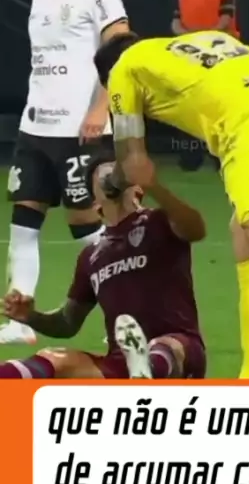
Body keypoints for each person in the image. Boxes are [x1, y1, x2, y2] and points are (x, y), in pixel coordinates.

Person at [93, 30, 249, 380]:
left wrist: (110, 183)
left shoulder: (124, 68)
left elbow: (132, 163)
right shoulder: (205, 44)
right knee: (244, 235)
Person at [0, 0, 130, 345]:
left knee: (85, 226)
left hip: (81, 129)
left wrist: (100, 108)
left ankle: (123, 312)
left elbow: (120, 51)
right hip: (36, 127)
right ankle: (20, 320)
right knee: (23, 221)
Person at [0, 153, 207, 379]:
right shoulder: (92, 256)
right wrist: (31, 316)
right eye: (102, 173)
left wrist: (154, 186)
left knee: (164, 346)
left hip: (181, 349)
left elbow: (196, 229)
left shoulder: (160, 221)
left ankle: (145, 370)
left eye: (117, 170)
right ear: (96, 204)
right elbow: (67, 322)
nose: (112, 174)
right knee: (54, 358)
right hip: (121, 363)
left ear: (137, 189)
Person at [171, 0, 240, 171]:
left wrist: (192, 40)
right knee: (223, 108)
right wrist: (209, 39)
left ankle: (189, 157)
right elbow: (225, 21)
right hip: (222, 56)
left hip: (190, 58)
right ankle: (221, 156)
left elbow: (175, 24)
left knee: (192, 105)